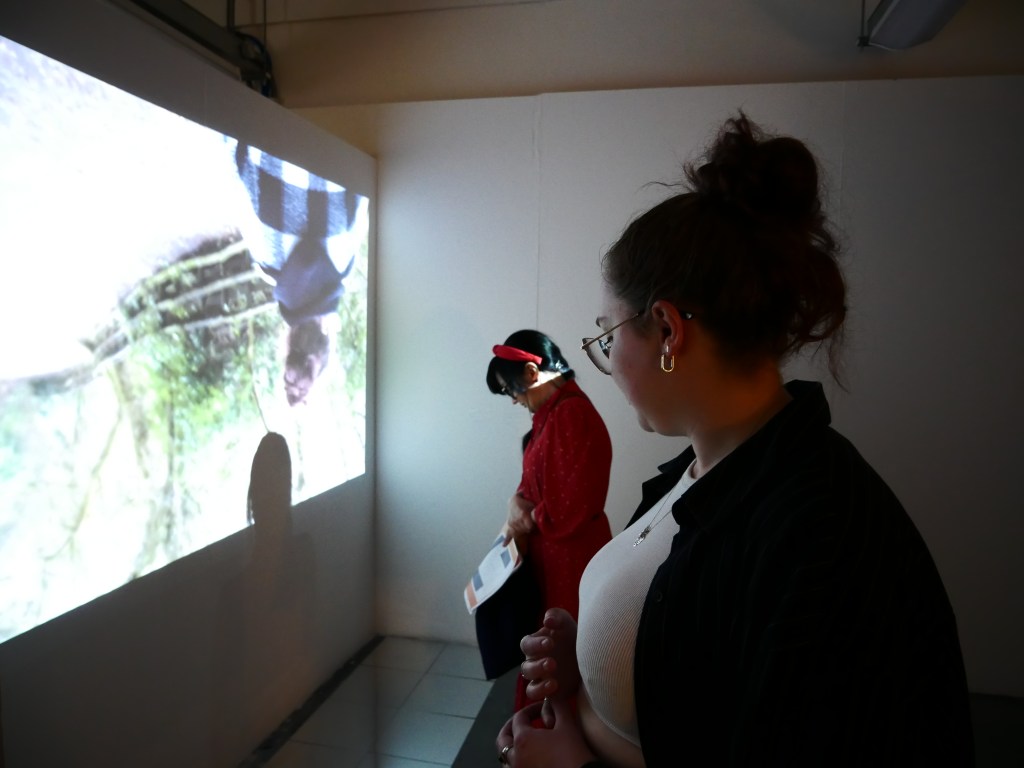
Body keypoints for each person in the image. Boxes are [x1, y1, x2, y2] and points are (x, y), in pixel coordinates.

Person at [495, 114, 974, 767]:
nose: (606, 361)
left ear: (667, 331)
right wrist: (588, 663)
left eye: (608, 336)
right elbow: (694, 677)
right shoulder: (700, 471)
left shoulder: (821, 533)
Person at [486, 330, 614, 712]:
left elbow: (569, 508)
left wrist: (523, 514)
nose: (514, 399)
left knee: (561, 660)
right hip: (553, 559)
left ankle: (557, 735)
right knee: (549, 657)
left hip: (569, 562)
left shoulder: (570, 414)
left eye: (511, 389)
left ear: (531, 372)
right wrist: (516, 502)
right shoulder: (551, 414)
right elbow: (533, 487)